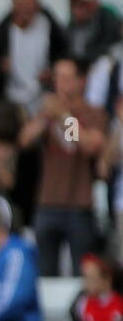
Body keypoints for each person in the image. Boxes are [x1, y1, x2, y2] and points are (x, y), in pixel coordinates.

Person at [19, 56, 107, 278]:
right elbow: (24, 140)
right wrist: (45, 119)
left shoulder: (93, 112)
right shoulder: (47, 112)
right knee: (44, 272)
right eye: (58, 77)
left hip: (79, 203)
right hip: (47, 202)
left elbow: (89, 145)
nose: (61, 83)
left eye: (67, 78)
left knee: (82, 272)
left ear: (81, 81)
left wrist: (65, 117)